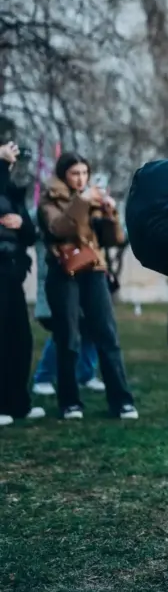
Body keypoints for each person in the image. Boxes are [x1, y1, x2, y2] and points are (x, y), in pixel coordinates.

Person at [38, 152, 137, 420]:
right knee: (68, 337)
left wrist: (110, 214)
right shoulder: (49, 199)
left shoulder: (92, 199)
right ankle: (70, 402)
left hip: (94, 270)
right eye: (75, 173)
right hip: (64, 272)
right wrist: (81, 203)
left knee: (107, 335)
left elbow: (113, 239)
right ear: (63, 175)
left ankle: (122, 401)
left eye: (84, 173)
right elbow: (58, 228)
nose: (81, 179)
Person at [0, 141, 44, 426]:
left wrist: (21, 223)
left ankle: (18, 403)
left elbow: (30, 234)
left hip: (12, 273)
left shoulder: (13, 195)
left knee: (20, 339)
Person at [31, 233, 104, 394]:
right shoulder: (44, 214)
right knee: (65, 331)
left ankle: (86, 374)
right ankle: (44, 377)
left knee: (90, 327)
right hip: (61, 275)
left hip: (87, 274)